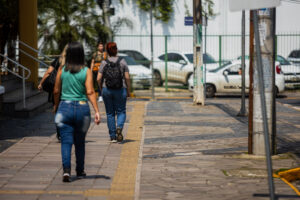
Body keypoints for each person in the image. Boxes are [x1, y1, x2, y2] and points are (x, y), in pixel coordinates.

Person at [53, 42, 101, 182]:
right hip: (82, 109)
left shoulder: (62, 70)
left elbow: (56, 91)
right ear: (81, 54)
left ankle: (66, 171)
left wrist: (56, 106)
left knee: (66, 142)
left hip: (64, 108)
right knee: (80, 142)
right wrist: (97, 111)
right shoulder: (86, 71)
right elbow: (90, 91)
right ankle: (80, 171)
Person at [97, 42, 131, 143]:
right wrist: (128, 90)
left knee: (110, 113)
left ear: (107, 51)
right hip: (121, 89)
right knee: (121, 111)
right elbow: (127, 77)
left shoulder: (104, 62)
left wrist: (101, 88)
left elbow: (98, 78)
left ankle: (112, 136)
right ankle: (119, 127)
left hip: (107, 89)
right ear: (116, 50)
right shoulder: (123, 61)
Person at [38, 44, 68, 141]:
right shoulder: (74, 62)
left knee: (58, 110)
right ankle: (67, 132)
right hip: (68, 90)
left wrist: (41, 83)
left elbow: (48, 72)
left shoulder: (58, 60)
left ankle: (59, 133)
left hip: (57, 89)